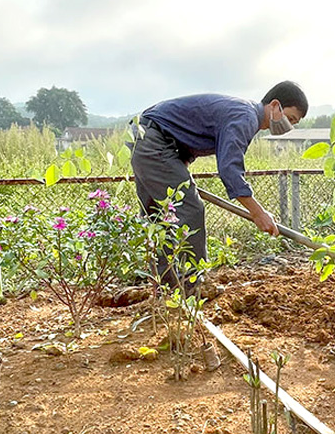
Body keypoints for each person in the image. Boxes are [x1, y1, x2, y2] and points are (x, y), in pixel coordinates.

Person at [130, 81, 308, 288]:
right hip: (153, 139)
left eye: (294, 123)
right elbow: (230, 169)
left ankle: (163, 285)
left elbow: (189, 136)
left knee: (159, 214)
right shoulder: (246, 117)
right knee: (190, 209)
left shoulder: (242, 112)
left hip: (143, 135)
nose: (289, 126)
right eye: (290, 118)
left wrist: (180, 167)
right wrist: (258, 212)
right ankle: (194, 285)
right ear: (275, 105)